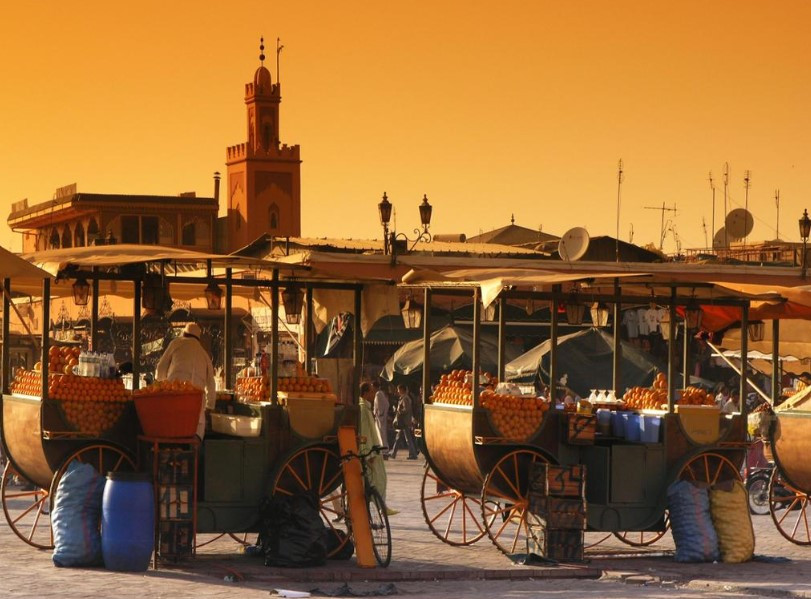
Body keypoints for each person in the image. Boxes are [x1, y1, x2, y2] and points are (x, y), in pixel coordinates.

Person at [155, 322, 216, 439]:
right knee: (195, 437)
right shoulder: (204, 354)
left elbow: (160, 368)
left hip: (173, 399)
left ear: (184, 333)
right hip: (196, 409)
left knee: (171, 432)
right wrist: (210, 406)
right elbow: (211, 385)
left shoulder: (176, 343)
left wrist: (161, 384)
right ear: (199, 338)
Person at [358, 382, 397, 515]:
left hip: (374, 449)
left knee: (379, 478)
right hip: (370, 452)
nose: (373, 394)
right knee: (376, 479)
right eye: (371, 392)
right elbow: (364, 432)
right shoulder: (363, 409)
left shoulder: (365, 408)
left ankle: (381, 505)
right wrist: (368, 454)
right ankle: (380, 506)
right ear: (365, 393)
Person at [390, 384, 418, 460]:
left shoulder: (405, 398)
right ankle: (393, 453)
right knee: (399, 438)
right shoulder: (403, 398)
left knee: (407, 438)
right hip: (403, 421)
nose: (398, 391)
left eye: (398, 389)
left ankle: (413, 454)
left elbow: (406, 409)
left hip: (404, 421)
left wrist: (398, 410)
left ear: (402, 390)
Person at [372, 380, 390, 458]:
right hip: (380, 416)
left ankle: (385, 451)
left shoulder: (379, 394)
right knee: (380, 434)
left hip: (380, 417)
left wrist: (381, 413)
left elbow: (381, 405)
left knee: (382, 434)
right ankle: (383, 450)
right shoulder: (379, 393)